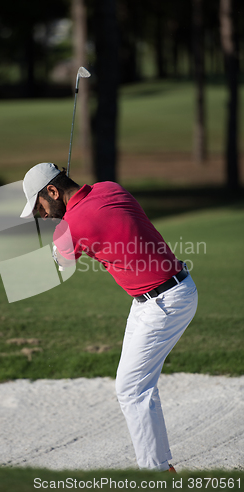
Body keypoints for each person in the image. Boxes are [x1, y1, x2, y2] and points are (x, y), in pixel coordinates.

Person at [21, 162, 198, 472]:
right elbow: (94, 215)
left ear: (52, 191)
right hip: (160, 296)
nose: (44, 215)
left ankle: (157, 473)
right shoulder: (110, 188)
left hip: (164, 303)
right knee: (131, 386)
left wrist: (60, 238)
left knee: (132, 390)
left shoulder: (73, 226)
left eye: (40, 207)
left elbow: (62, 262)